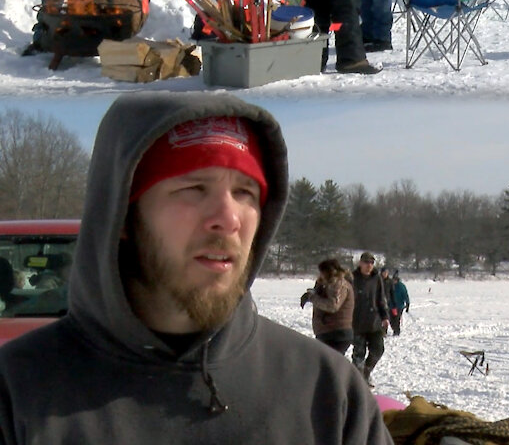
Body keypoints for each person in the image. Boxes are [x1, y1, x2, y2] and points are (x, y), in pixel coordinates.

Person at [0, 92, 391, 444]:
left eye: (244, 192)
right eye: (192, 189)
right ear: (121, 216)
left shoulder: (325, 392)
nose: (228, 218)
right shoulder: (17, 392)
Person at [350, 251, 389, 385]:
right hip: (357, 322)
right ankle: (357, 382)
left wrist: (385, 317)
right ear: (360, 263)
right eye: (366, 262)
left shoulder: (376, 278)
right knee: (358, 355)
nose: (369, 266)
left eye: (372, 263)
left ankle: (366, 373)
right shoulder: (352, 278)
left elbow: (381, 300)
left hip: (374, 322)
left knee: (378, 349)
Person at [303, 257, 355, 355]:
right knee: (328, 366)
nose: (320, 275)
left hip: (336, 332)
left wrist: (312, 297)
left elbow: (333, 305)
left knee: (329, 366)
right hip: (329, 332)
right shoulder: (329, 283)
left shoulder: (338, 283)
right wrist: (314, 291)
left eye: (322, 272)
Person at [388, 271, 410, 336]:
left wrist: (407, 303)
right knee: (391, 320)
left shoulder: (401, 286)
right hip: (391, 305)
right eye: (393, 280)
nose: (394, 281)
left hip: (399, 306)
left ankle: (397, 331)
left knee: (396, 319)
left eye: (395, 280)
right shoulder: (390, 285)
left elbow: (405, 295)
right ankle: (394, 329)